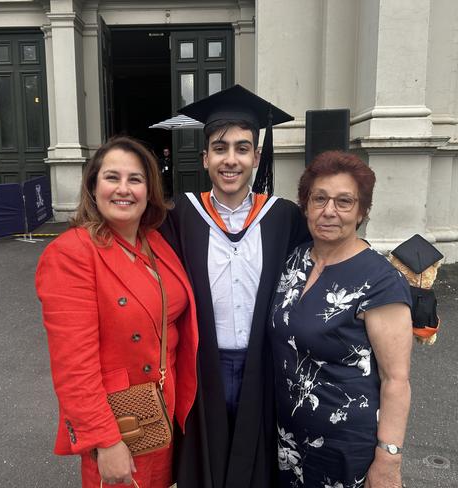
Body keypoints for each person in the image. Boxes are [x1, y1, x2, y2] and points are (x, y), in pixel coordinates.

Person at [159, 85, 309, 488]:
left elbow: (322, 266)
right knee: (206, 464)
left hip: (263, 365)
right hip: (201, 364)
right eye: (220, 147)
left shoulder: (283, 217)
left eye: (242, 148)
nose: (231, 159)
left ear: (256, 158)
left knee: (256, 465)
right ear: (205, 156)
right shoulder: (179, 216)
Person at [35, 136, 198, 488]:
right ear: (93, 186)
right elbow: (73, 366)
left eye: (135, 179)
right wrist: (104, 441)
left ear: (149, 190)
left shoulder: (155, 241)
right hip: (120, 421)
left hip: (164, 409)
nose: (123, 189)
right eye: (112, 177)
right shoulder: (71, 255)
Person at [270, 151, 413, 487]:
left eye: (344, 201)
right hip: (288, 435)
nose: (329, 211)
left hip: (343, 444)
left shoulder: (380, 281)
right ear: (305, 206)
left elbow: (396, 379)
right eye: (319, 199)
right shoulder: (295, 260)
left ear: (362, 211)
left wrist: (389, 459)